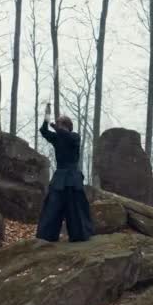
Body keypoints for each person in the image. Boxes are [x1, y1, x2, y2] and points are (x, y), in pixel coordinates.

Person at [36, 103, 94, 242]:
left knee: (75, 209)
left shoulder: (74, 137)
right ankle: (47, 236)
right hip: (60, 177)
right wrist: (47, 117)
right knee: (52, 207)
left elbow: (66, 135)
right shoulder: (57, 139)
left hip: (73, 178)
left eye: (61, 124)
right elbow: (43, 131)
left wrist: (56, 127)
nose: (59, 126)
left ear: (67, 126)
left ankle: (80, 235)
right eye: (58, 124)